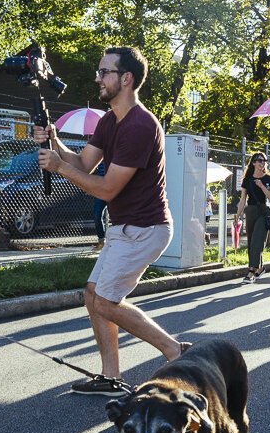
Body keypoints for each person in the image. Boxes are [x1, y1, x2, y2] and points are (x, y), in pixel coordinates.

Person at [37, 45, 187, 395]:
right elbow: (84, 165)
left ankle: (174, 350)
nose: (97, 78)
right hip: (123, 227)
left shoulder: (140, 125)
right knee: (92, 295)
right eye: (99, 72)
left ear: (126, 78)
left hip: (146, 229)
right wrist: (56, 143)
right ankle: (110, 376)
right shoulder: (109, 121)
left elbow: (106, 189)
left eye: (104, 72)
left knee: (106, 301)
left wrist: (57, 167)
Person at [235, 151, 270, 281]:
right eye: (259, 160)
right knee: (252, 241)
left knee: (258, 239)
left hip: (264, 211)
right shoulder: (247, 180)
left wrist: (262, 186)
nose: (262, 162)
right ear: (253, 163)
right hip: (251, 211)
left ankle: (251, 271)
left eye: (264, 160)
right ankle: (260, 267)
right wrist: (237, 215)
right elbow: (243, 199)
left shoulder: (269, 178)